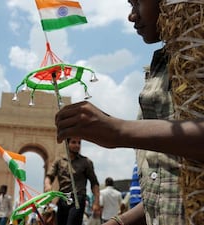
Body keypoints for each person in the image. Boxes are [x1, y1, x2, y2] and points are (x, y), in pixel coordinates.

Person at [54, 0, 202, 224]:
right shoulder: (162, 66)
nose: (131, 16)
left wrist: (118, 131)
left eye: (137, 3)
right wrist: (118, 222)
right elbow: (171, 184)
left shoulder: (197, 57)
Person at [44, 137, 100, 225]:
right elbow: (49, 176)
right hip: (62, 199)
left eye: (79, 143)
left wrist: (96, 201)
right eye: (74, 142)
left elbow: (94, 183)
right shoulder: (59, 161)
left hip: (78, 199)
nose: (77, 145)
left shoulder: (86, 162)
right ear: (67, 144)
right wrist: (47, 185)